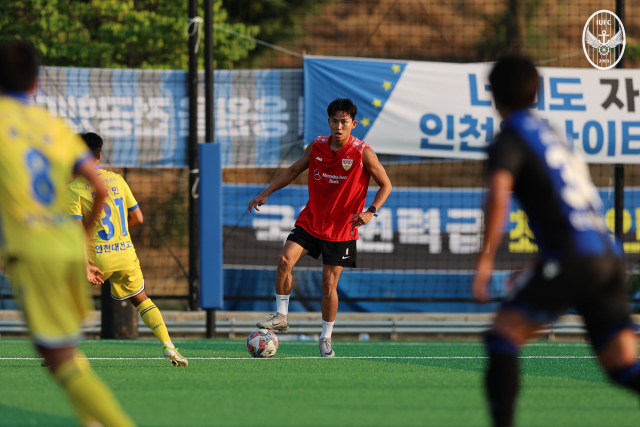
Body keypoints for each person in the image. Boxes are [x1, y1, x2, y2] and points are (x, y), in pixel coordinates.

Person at [473, 55, 640, 426]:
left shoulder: (510, 137)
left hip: (575, 257)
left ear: (494, 95)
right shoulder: (551, 135)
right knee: (622, 365)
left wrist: (484, 261)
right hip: (608, 256)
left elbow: (498, 194)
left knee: (503, 336)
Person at [0, 39, 136, 427]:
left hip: (32, 249)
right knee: (63, 349)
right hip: (63, 244)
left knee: (57, 357)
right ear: (35, 83)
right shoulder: (52, 127)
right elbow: (100, 185)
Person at [248, 98, 392, 357]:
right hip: (311, 220)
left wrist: (370, 211)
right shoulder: (316, 146)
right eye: (334, 121)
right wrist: (266, 192)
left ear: (353, 124)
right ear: (329, 122)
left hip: (342, 229)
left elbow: (386, 185)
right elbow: (293, 171)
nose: (339, 126)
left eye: (344, 122)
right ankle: (281, 316)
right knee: (284, 260)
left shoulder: (363, 153)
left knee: (328, 285)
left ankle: (325, 338)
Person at [65, 132, 188, 367]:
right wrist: (120, 232)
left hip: (95, 258)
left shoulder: (73, 190)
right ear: (99, 156)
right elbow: (138, 218)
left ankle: (60, 351)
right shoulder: (118, 180)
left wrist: (86, 265)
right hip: (124, 254)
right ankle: (168, 346)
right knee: (142, 300)